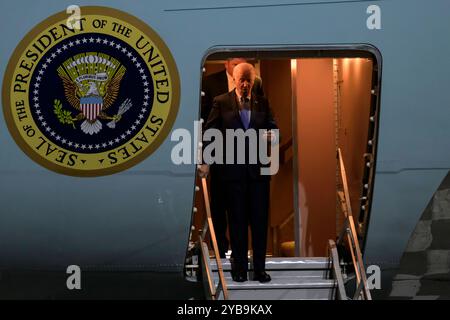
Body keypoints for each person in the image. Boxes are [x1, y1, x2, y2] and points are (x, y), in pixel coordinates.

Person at [200, 63, 277, 283]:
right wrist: (206, 161)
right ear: (234, 80)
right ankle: (240, 269)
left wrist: (272, 136)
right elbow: (210, 133)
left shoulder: (262, 102)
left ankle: (260, 269)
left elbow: (273, 127)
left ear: (254, 82)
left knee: (260, 222)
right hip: (232, 175)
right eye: (241, 80)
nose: (244, 84)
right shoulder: (221, 101)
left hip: (258, 175)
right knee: (237, 222)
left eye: (248, 81)